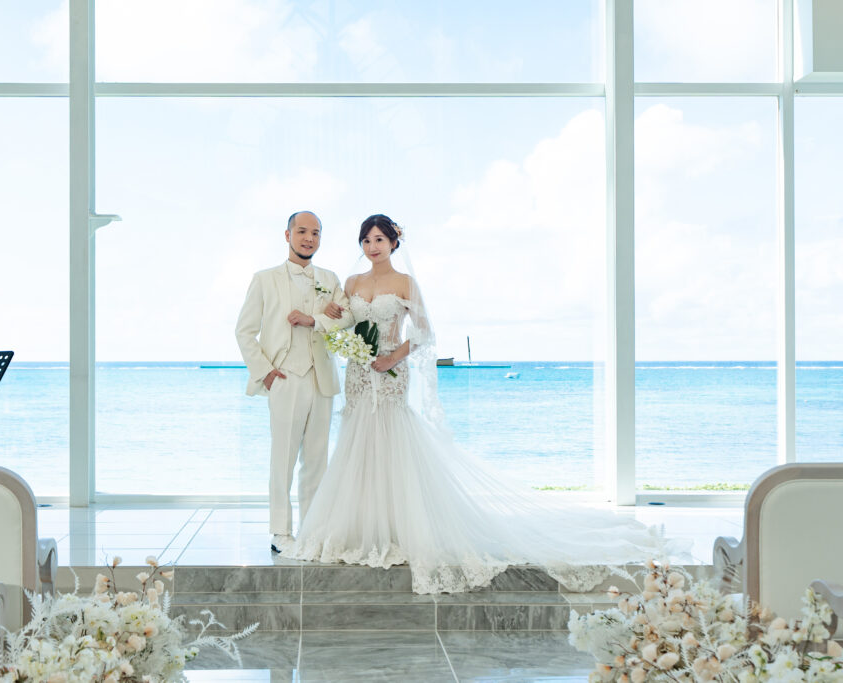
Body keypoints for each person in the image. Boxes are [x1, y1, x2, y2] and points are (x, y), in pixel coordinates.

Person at [282, 214, 684, 594]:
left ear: (393, 243)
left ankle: (397, 527)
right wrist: (332, 315)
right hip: (358, 374)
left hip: (390, 374)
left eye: (380, 240)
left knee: (390, 442)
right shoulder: (352, 282)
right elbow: (344, 323)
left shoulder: (405, 283)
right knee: (358, 444)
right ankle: (361, 528)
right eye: (367, 240)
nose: (373, 247)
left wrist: (392, 359)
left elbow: (423, 333)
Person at [235, 211, 354, 554]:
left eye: (315, 233)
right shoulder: (264, 279)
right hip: (285, 377)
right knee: (283, 459)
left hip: (321, 378)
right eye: (302, 231)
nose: (309, 238)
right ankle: (280, 532)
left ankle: (311, 530)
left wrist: (314, 319)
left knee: (317, 459)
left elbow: (348, 316)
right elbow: (244, 331)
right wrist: (266, 372)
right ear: (287, 235)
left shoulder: (330, 279)